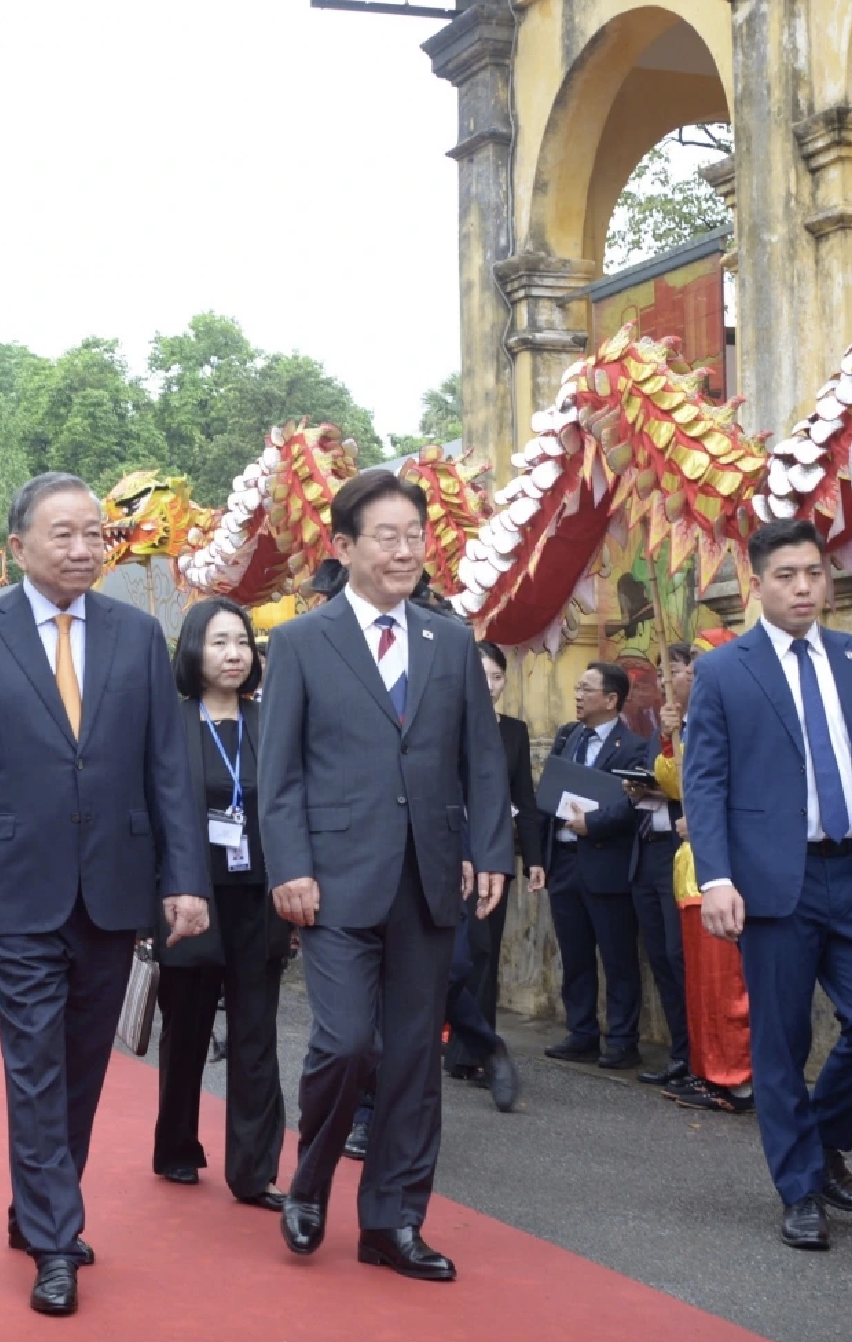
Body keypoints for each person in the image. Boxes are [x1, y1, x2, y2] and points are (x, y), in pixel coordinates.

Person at [0, 472, 211, 1318]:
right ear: (19, 548)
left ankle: (35, 1203)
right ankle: (55, 1239)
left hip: (114, 887)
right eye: (64, 535)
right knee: (34, 1067)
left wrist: (184, 880)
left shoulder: (137, 635)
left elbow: (166, 770)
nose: (83, 550)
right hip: (13, 890)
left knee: (82, 1067)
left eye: (94, 535)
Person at [258, 469, 511, 1282]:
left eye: (415, 535)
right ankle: (308, 1182)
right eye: (386, 536)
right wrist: (289, 866)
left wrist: (493, 852)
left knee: (411, 1056)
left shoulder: (451, 640)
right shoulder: (300, 642)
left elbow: (482, 760)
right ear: (344, 547)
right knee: (344, 1042)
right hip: (332, 881)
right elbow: (280, 772)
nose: (406, 551)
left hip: (430, 879)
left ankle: (393, 1222)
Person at [683, 518, 852, 1252]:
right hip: (772, 883)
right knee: (780, 1040)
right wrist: (719, 878)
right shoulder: (725, 672)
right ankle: (799, 1190)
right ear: (758, 584)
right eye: (787, 575)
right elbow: (704, 784)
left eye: (815, 573)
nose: (804, 587)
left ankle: (822, 1138)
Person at [150, 598, 289, 1211]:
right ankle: (177, 1144)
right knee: (187, 1030)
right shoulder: (171, 722)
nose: (234, 654)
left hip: (259, 898)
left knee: (256, 1034)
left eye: (242, 642)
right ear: (193, 652)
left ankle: (254, 1172)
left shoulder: (272, 721)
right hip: (190, 896)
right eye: (218, 642)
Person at [652, 629, 754, 1114]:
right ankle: (708, 1068)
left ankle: (736, 1077)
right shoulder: (697, 721)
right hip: (693, 867)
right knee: (701, 981)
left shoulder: (743, 719)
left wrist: (714, 818)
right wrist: (672, 741)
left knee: (728, 982)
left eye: (695, 660)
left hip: (726, 866)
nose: (687, 671)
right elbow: (677, 787)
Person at [538, 661, 649, 1069]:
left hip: (606, 862)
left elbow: (633, 802)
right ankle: (581, 1030)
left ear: (611, 699)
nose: (578, 695)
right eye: (578, 687)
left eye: (586, 689)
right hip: (565, 861)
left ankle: (622, 1039)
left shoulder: (634, 746)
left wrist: (594, 823)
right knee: (576, 953)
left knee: (617, 956)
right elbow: (549, 789)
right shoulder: (568, 737)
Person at [444, 640, 545, 1080]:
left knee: (486, 951)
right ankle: (450, 1041)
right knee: (460, 955)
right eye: (481, 675)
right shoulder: (445, 725)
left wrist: (535, 856)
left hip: (495, 851)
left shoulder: (514, 732)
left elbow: (524, 795)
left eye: (498, 677)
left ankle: (475, 1050)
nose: (489, 686)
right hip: (451, 852)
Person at [625, 642, 694, 1087]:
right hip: (651, 847)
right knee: (662, 958)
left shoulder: (708, 723)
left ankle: (702, 1056)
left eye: (675, 672)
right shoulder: (660, 728)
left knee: (681, 955)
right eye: (660, 675)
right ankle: (681, 1052)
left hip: (687, 849)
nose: (665, 683)